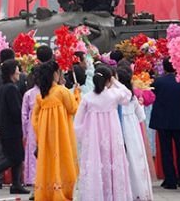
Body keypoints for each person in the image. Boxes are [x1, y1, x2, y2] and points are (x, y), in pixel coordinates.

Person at [74, 65, 132, 200]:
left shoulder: (87, 98)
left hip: (94, 139)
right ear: (108, 80)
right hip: (112, 136)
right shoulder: (113, 95)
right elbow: (127, 94)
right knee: (112, 163)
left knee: (96, 165)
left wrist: (84, 138)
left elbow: (77, 123)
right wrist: (115, 81)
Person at [33, 61, 80, 201]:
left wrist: (39, 136)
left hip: (46, 137)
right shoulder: (62, 91)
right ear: (55, 74)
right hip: (62, 135)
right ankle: (64, 191)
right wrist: (77, 94)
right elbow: (74, 108)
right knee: (63, 161)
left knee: (49, 163)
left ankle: (48, 192)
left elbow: (34, 119)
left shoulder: (40, 95)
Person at [0, 60, 28, 195]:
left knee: (16, 156)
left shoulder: (4, 87)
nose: (19, 72)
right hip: (12, 128)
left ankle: (16, 184)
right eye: (17, 69)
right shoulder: (12, 89)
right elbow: (16, 111)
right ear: (12, 72)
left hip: (5, 127)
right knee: (15, 157)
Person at [149, 57, 180, 190]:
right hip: (179, 120)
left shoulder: (158, 82)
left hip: (163, 121)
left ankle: (170, 180)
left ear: (165, 67)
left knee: (166, 151)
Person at [117, 67, 153, 201]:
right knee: (135, 160)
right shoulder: (133, 97)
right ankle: (137, 192)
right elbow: (141, 116)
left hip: (119, 129)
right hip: (132, 131)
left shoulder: (116, 97)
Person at [20, 67, 40, 187]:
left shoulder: (28, 93)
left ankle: (31, 177)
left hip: (32, 124)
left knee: (32, 149)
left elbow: (24, 115)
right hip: (44, 121)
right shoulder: (48, 92)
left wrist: (24, 132)